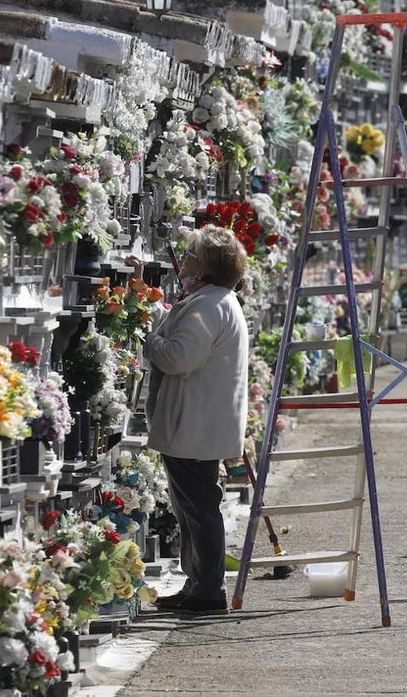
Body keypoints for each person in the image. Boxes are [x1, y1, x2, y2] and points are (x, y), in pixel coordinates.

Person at [143, 225, 250, 614]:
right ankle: (198, 584)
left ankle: (207, 589)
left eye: (190, 256)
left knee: (199, 507)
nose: (183, 262)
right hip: (197, 422)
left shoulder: (209, 305)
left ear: (205, 267)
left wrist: (148, 337)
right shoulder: (212, 300)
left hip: (194, 423)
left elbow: (179, 358)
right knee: (191, 506)